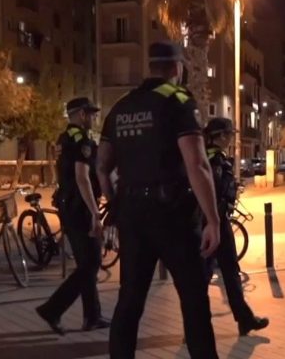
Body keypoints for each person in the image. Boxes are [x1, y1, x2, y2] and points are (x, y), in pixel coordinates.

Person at [97, 41, 221, 359]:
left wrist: (115, 204)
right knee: (193, 299)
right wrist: (213, 219)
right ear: (176, 68)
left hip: (132, 215)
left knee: (130, 301)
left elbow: (102, 166)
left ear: (151, 67)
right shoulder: (178, 100)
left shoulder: (122, 106)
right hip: (173, 215)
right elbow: (197, 164)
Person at [35, 97, 109, 334]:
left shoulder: (64, 138)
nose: (94, 117)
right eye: (91, 113)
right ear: (80, 114)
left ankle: (92, 316)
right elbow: (82, 177)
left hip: (68, 205)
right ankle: (53, 309)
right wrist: (94, 212)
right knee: (91, 263)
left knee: (86, 262)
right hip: (80, 208)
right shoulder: (82, 140)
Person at [203, 117, 269, 335]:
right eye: (229, 134)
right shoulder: (211, 159)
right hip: (210, 224)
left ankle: (244, 319)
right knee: (203, 277)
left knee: (230, 271)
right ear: (220, 136)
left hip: (218, 222)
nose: (231, 138)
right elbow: (209, 191)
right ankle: (196, 326)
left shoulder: (215, 157)